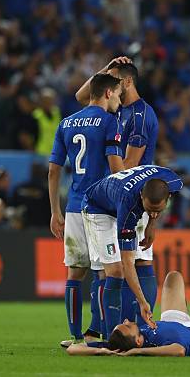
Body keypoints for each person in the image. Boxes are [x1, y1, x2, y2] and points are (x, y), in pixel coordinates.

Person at [76, 57, 160, 330]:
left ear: (127, 82)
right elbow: (83, 95)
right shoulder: (116, 110)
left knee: (138, 261)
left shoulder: (140, 115)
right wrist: (105, 68)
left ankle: (140, 326)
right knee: (110, 265)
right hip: (115, 198)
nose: (109, 86)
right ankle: (106, 327)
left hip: (133, 197)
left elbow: (130, 167)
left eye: (114, 80)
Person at [48, 73, 124, 348]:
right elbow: (115, 166)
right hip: (99, 208)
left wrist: (55, 211)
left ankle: (75, 335)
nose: (119, 98)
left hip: (73, 207)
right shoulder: (109, 121)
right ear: (107, 93)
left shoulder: (66, 123)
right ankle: (99, 334)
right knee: (103, 272)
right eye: (117, 93)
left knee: (74, 273)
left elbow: (54, 170)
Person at [81, 165, 183, 337]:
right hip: (97, 210)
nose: (153, 213)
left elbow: (154, 207)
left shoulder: (172, 181)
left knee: (141, 261)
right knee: (115, 271)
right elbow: (128, 264)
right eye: (149, 209)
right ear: (142, 196)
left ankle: (139, 331)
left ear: (168, 198)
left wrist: (152, 223)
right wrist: (142, 302)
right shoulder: (128, 208)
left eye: (158, 210)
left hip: (120, 199)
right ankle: (111, 337)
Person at [66, 270, 190, 357]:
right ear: (138, 341)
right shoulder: (156, 347)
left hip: (171, 322)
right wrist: (139, 352)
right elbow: (180, 350)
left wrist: (102, 351)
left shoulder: (116, 344)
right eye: (129, 325)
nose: (128, 320)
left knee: (173, 277)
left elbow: (73, 349)